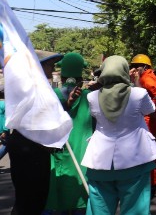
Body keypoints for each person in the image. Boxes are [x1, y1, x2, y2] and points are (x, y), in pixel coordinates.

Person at [81, 55, 156, 214]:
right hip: (135, 159)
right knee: (135, 209)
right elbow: (150, 110)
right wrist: (136, 83)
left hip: (100, 161)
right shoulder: (139, 94)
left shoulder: (92, 96)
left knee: (100, 209)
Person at [7, 50, 62, 215]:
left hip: (28, 145)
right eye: (49, 65)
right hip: (30, 147)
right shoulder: (33, 89)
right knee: (31, 199)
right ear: (38, 67)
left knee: (29, 199)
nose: (52, 69)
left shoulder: (31, 87)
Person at [46, 52, 94, 215]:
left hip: (58, 155)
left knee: (59, 197)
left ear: (62, 74)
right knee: (80, 196)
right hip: (82, 154)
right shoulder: (90, 97)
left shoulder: (52, 95)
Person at [129, 53, 156, 195]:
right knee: (148, 150)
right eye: (132, 66)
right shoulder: (144, 77)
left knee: (148, 150)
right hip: (148, 119)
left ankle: (152, 183)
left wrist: (152, 112)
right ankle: (151, 182)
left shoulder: (146, 77)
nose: (133, 68)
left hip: (149, 120)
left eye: (136, 66)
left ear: (144, 67)